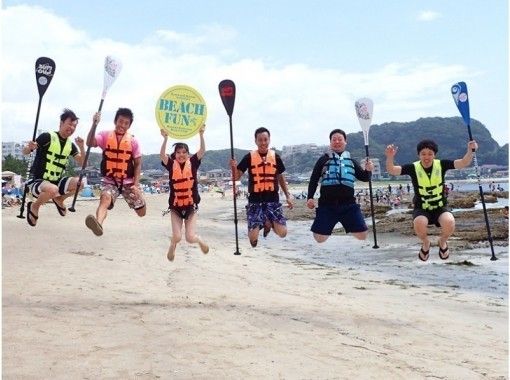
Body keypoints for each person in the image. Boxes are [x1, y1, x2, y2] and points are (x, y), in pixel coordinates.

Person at [385, 139, 477, 261]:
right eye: (423, 154)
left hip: (440, 207)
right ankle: (425, 243)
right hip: (421, 208)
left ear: (434, 155)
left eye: (430, 154)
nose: (426, 157)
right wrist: (390, 157)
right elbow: (392, 170)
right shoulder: (413, 168)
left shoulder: (442, 165)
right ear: (419, 155)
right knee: (419, 223)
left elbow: (463, 162)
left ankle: (442, 242)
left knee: (449, 222)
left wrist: (470, 150)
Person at [85, 108, 146, 236]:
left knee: (141, 213)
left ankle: (141, 199)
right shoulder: (105, 136)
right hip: (110, 181)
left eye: (126, 123)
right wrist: (94, 124)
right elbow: (90, 142)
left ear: (129, 125)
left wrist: (136, 185)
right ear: (115, 121)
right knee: (105, 199)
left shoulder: (133, 142)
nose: (122, 125)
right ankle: (98, 224)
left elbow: (138, 164)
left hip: (128, 182)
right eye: (120, 121)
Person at [306, 129, 374, 243]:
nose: (337, 141)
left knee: (362, 235)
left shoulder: (351, 161)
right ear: (330, 142)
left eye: (340, 139)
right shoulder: (323, 160)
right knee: (319, 239)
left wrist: (368, 170)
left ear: (345, 142)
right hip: (327, 204)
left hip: (348, 204)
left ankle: (346, 224)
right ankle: (328, 223)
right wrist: (310, 197)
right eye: (334, 139)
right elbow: (313, 179)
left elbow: (365, 177)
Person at [230, 127, 293, 248]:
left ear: (269, 140)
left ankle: (269, 223)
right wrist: (233, 167)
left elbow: (281, 178)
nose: (263, 142)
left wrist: (288, 196)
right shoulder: (249, 157)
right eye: (260, 140)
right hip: (255, 201)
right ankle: (264, 223)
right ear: (256, 141)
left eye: (265, 139)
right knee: (253, 241)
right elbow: (236, 177)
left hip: (272, 200)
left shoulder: (276, 157)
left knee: (283, 233)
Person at [21, 108, 85, 226]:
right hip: (38, 181)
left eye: (74, 126)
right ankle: (34, 206)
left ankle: (59, 199)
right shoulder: (46, 137)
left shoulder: (70, 145)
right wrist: (30, 147)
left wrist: (82, 147)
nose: (72, 128)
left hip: (56, 182)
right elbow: (24, 151)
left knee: (80, 183)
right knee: (53, 189)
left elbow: (82, 163)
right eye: (69, 124)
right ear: (61, 123)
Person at [160, 125, 209, 261]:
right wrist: (165, 139)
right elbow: (162, 155)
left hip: (190, 206)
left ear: (188, 154)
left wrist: (201, 134)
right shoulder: (171, 164)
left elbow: (202, 150)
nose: (181, 155)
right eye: (178, 152)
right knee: (177, 237)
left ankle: (199, 240)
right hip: (175, 207)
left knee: (190, 238)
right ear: (175, 155)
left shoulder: (193, 162)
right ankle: (173, 244)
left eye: (184, 152)